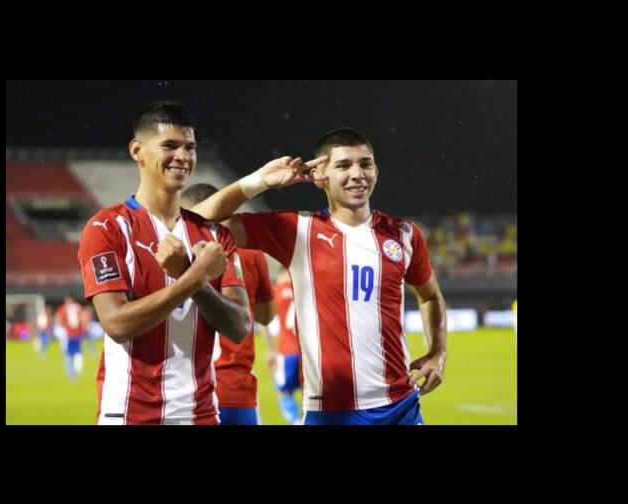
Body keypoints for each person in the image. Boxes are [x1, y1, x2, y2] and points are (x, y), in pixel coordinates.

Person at [192, 127, 448, 425]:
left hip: (400, 407)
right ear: (319, 176)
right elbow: (197, 219)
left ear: (376, 170)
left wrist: (437, 352)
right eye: (343, 165)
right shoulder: (297, 230)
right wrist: (260, 181)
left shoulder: (404, 233)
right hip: (330, 412)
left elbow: (429, 295)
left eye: (365, 163)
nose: (357, 174)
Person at [77, 101, 251, 425]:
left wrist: (188, 276)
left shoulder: (213, 234)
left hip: (201, 415)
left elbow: (239, 327)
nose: (182, 157)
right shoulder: (107, 228)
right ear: (137, 150)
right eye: (169, 146)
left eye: (190, 147)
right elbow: (117, 324)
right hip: (128, 415)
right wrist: (194, 276)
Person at [181, 183, 275, 425]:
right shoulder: (251, 253)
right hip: (236, 387)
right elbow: (266, 316)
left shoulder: (178, 253)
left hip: (188, 387)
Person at [270, 267, 303, 424]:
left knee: (284, 392)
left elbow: (271, 325)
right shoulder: (304, 289)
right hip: (307, 352)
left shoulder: (276, 291)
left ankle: (296, 422)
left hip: (287, 350)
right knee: (311, 392)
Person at [56, 295, 86, 381]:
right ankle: (75, 371)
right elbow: (83, 318)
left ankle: (72, 375)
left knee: (67, 355)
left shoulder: (64, 308)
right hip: (78, 333)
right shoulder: (79, 307)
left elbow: (60, 320)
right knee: (77, 352)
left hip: (69, 334)